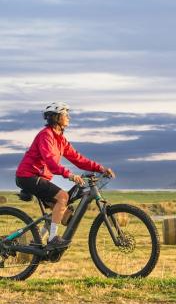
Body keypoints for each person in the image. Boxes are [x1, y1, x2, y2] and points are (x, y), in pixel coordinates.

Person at [15, 102, 115, 250]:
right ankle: (53, 239)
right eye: (65, 114)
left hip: (40, 178)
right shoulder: (46, 136)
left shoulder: (61, 140)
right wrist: (70, 175)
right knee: (63, 197)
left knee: (64, 211)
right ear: (56, 118)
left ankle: (36, 245)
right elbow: (50, 162)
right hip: (28, 176)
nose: (68, 117)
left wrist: (100, 168)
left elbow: (78, 159)